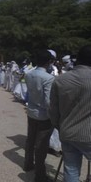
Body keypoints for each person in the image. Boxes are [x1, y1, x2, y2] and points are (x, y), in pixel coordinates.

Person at [49, 45, 91, 182]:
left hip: (67, 132)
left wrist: (60, 127)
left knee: (71, 170)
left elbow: (53, 111)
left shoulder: (60, 80)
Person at [23, 50, 54, 182]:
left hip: (31, 111)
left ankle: (28, 163)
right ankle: (40, 174)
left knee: (31, 139)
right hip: (43, 115)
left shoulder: (29, 74)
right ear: (49, 62)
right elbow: (48, 101)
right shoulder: (48, 78)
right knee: (41, 145)